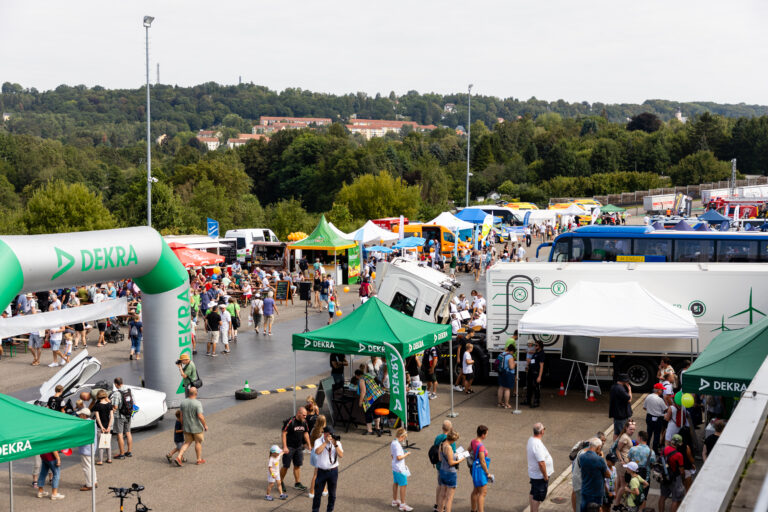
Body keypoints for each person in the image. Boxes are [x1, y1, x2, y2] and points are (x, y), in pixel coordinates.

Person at [312, 425, 343, 512]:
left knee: (332, 494)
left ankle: (330, 510)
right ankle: (315, 510)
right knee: (317, 494)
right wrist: (325, 442)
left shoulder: (336, 442)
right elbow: (317, 452)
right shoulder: (318, 441)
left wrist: (335, 445)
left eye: (331, 433)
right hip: (321, 471)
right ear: (324, 434)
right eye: (328, 434)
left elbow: (341, 455)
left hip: (333, 471)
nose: (331, 435)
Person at [281, 407, 311, 492]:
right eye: (304, 415)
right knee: (286, 466)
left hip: (298, 447)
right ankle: (280, 481)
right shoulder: (291, 421)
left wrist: (309, 445)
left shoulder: (304, 422)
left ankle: (297, 483)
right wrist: (285, 447)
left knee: (297, 465)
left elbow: (306, 433)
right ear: (299, 413)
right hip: (289, 447)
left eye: (306, 415)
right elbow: (284, 433)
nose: (305, 417)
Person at [175, 386, 208, 466]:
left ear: (188, 393)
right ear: (196, 393)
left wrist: (183, 426)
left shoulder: (183, 403)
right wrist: (205, 425)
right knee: (198, 442)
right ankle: (198, 459)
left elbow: (181, 416)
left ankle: (179, 457)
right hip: (196, 427)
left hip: (187, 427)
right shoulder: (197, 403)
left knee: (187, 442)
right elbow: (200, 416)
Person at [577, 437, 609, 512]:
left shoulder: (581, 457)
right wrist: (602, 459)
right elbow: (608, 475)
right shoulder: (599, 459)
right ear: (598, 447)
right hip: (596, 492)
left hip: (585, 490)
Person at [527, 422, 554, 512]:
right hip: (539, 476)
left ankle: (532, 510)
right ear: (542, 431)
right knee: (537, 497)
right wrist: (545, 476)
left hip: (534, 474)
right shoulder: (537, 444)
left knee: (533, 492)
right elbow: (541, 463)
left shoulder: (531, 440)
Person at [658, 434, 686, 512]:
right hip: (675, 478)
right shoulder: (679, 455)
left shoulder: (664, 449)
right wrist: (683, 478)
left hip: (664, 476)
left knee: (662, 497)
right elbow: (681, 470)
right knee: (675, 499)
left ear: (672, 442)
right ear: (680, 444)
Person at [353, 368, 386, 435]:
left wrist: (360, 402)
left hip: (372, 397)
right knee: (376, 411)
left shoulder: (362, 379)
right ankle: (377, 428)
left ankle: (370, 430)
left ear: (357, 376)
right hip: (379, 395)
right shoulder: (368, 376)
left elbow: (363, 392)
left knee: (368, 412)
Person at [628, 431, 655, 509]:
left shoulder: (633, 449)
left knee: (632, 496)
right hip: (645, 478)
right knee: (643, 497)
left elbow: (629, 461)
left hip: (633, 477)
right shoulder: (651, 452)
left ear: (640, 438)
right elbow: (652, 464)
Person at [613, 419, 636, 507]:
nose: (632, 431)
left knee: (619, 482)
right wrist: (622, 461)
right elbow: (617, 450)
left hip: (623, 463)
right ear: (626, 428)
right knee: (624, 485)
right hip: (623, 464)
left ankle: (617, 500)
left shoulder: (625, 436)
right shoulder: (624, 437)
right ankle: (617, 504)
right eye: (630, 429)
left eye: (633, 429)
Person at [437, 429, 461, 512]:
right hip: (450, 473)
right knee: (449, 498)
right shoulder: (449, 447)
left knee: (442, 494)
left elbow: (440, 459)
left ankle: (439, 510)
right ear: (453, 440)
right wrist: (460, 459)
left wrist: (453, 455)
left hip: (442, 471)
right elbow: (451, 463)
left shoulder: (441, 444)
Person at [432, 420, 454, 512]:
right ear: (450, 429)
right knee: (445, 489)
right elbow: (454, 453)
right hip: (446, 467)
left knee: (439, 485)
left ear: (442, 428)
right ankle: (442, 506)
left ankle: (437, 505)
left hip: (438, 464)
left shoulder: (438, 437)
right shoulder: (450, 439)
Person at [470, 425, 492, 512]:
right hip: (480, 471)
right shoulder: (481, 446)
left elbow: (468, 450)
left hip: (474, 469)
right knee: (482, 493)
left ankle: (473, 509)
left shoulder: (473, 442)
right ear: (483, 435)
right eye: (486, 434)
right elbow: (482, 461)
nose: (486, 435)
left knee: (475, 490)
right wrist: (487, 473)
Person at [391, 427, 413, 511]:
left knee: (395, 483)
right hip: (400, 468)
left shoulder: (393, 442)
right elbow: (399, 457)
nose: (403, 439)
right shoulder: (397, 445)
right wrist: (406, 454)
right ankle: (403, 504)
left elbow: (392, 456)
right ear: (401, 436)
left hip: (394, 466)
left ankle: (395, 500)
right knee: (403, 485)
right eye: (404, 437)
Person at [110, 377, 133, 459]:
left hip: (119, 416)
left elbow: (115, 406)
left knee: (119, 434)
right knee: (128, 432)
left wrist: (110, 410)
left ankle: (122, 454)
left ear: (116, 384)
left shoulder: (117, 393)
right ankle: (129, 452)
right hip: (128, 414)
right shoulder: (129, 390)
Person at [76, 408, 97, 491]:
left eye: (80, 415)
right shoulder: (92, 422)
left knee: (86, 467)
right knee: (91, 465)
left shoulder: (85, 423)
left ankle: (89, 484)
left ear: (84, 415)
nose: (79, 416)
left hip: (86, 449)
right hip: (91, 448)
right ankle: (94, 481)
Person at [308, 415, 328, 500]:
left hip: (313, 452)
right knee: (320, 474)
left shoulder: (313, 430)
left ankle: (322, 489)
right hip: (320, 454)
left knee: (318, 473)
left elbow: (311, 441)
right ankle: (312, 491)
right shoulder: (324, 433)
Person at [643, 383, 668, 453]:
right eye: (662, 390)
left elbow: (644, 407)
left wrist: (651, 410)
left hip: (649, 417)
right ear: (658, 390)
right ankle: (655, 450)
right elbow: (666, 409)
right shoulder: (660, 400)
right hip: (658, 419)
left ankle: (646, 448)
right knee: (656, 435)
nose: (662, 391)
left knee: (649, 433)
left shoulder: (648, 397)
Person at [92, 390, 113, 465]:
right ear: (105, 395)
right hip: (107, 426)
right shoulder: (109, 405)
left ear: (98, 396)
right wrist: (109, 426)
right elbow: (111, 417)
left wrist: (101, 427)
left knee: (101, 443)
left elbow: (97, 418)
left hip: (100, 427)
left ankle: (100, 460)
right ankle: (109, 459)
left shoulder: (97, 405)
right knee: (108, 442)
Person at [609, 373, 632, 440]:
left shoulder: (614, 387)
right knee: (622, 433)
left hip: (616, 414)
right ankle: (619, 448)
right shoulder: (620, 389)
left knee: (616, 432)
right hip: (621, 415)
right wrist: (629, 390)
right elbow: (629, 399)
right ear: (624, 381)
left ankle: (614, 447)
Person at [525, 341, 545, 408]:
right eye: (535, 345)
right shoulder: (536, 352)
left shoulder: (541, 354)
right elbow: (533, 361)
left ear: (540, 346)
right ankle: (528, 400)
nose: (535, 347)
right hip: (531, 371)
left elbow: (541, 365)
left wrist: (539, 376)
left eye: (536, 345)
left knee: (536, 387)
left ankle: (536, 402)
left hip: (536, 372)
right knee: (529, 386)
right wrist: (529, 363)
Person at [497, 343, 516, 409]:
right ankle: (506, 404)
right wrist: (514, 364)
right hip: (508, 374)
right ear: (512, 351)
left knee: (501, 387)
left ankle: (499, 403)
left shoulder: (501, 354)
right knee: (507, 389)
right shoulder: (510, 356)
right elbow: (511, 367)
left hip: (501, 372)